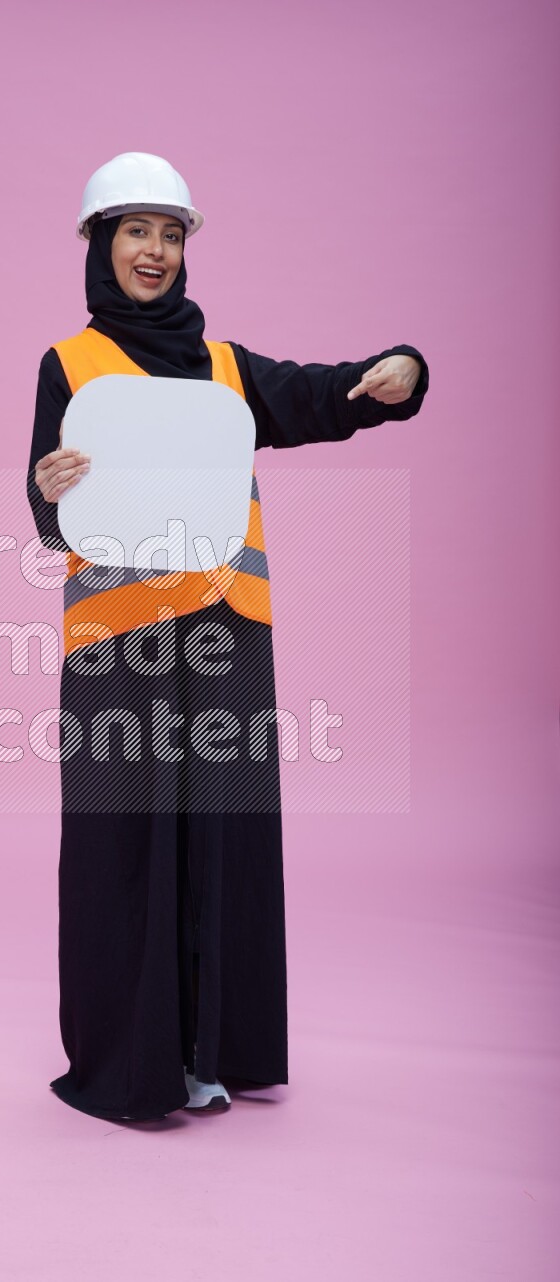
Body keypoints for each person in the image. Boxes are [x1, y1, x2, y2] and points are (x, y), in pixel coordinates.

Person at [27, 152, 429, 1122]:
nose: (155, 251)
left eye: (170, 234)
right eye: (136, 231)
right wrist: (45, 491)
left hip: (225, 632)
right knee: (124, 843)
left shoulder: (225, 368)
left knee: (225, 838)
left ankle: (214, 1054)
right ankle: (129, 1067)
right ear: (100, 243)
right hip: (119, 640)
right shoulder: (69, 366)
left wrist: (394, 374)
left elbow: (317, 395)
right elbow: (50, 514)